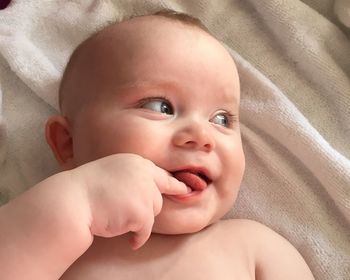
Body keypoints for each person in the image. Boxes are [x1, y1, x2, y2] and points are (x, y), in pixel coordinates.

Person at [0, 10, 314, 280]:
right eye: (159, 107)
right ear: (68, 143)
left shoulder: (254, 246)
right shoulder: (55, 241)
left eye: (221, 120)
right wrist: (77, 200)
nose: (201, 136)